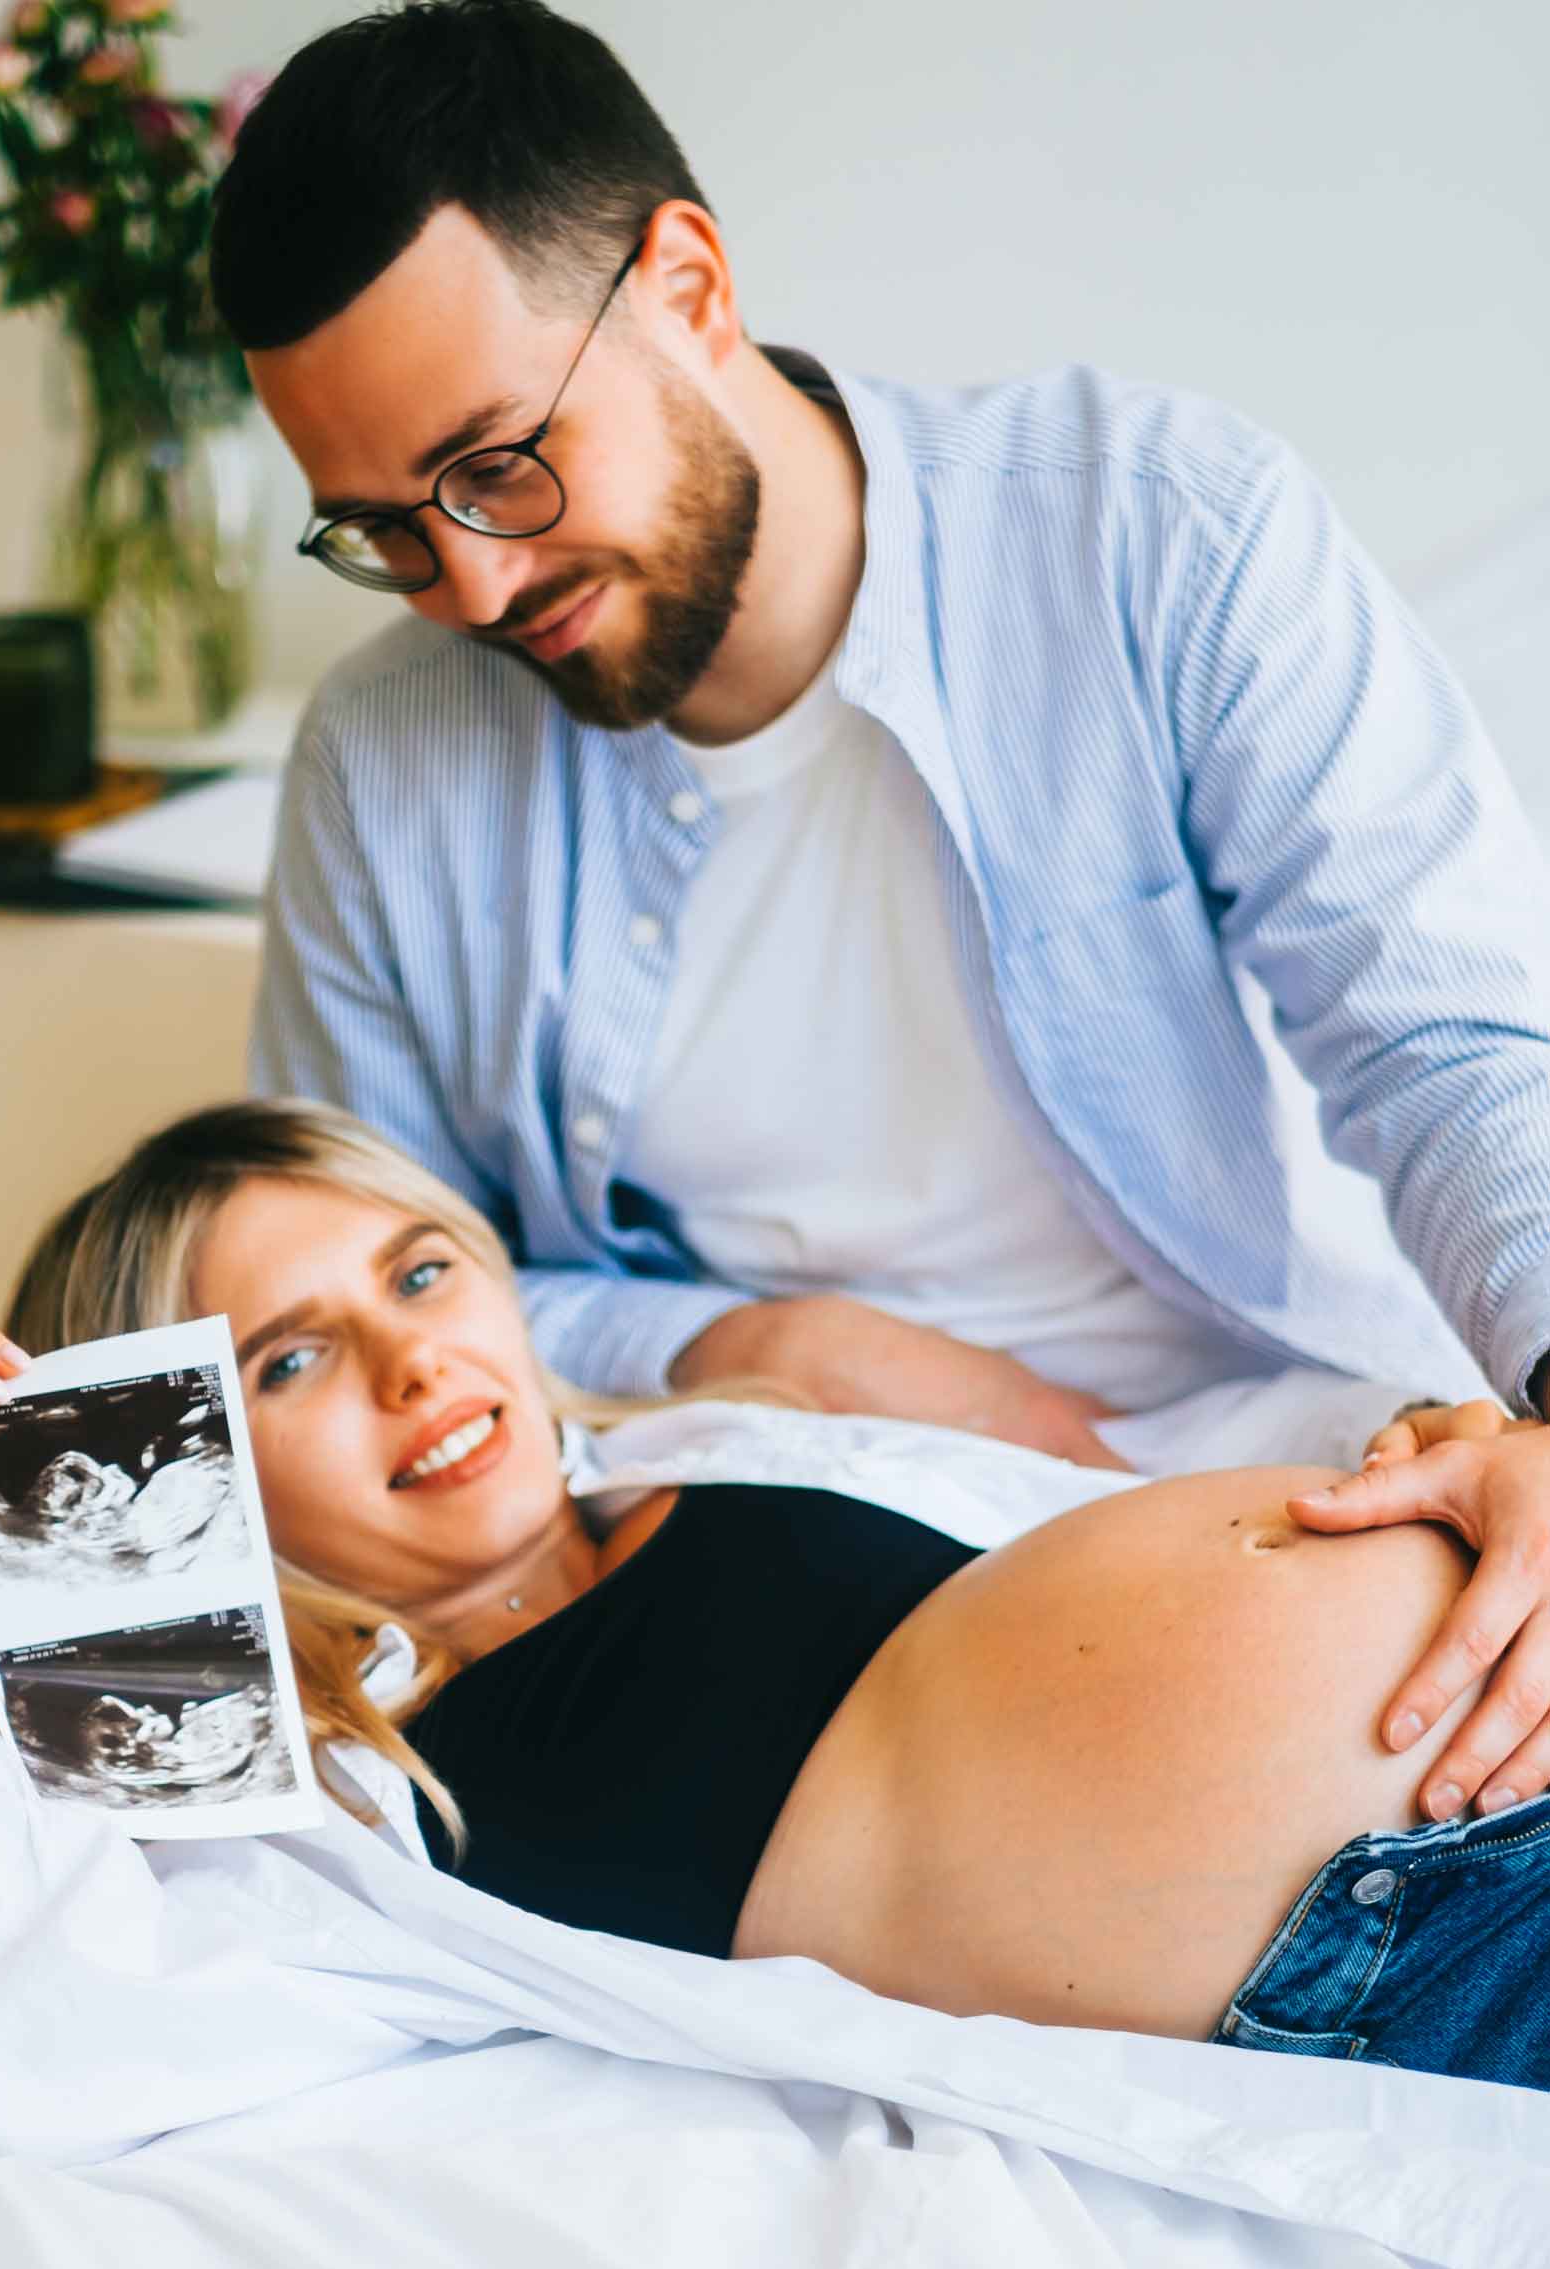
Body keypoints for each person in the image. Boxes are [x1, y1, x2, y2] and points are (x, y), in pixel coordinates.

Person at [211, 0, 1550, 1826]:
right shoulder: (384, 757)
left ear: (684, 282)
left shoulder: (1153, 533)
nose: (472, 581)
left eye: (498, 465)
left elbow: (1457, 1045)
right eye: (380, 528)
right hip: (751, 1499)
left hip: (1255, 1437)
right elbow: (333, 1285)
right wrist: (764, 1350)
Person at [0, 1102, 1549, 2132]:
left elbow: (1154, 1494)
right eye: (290, 1359)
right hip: (1425, 1942)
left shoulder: (724, 1441)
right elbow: (22, 2026)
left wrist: (1469, 1453)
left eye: (423, 1269)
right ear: (179, 1480)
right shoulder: (337, 1785)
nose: (412, 1360)